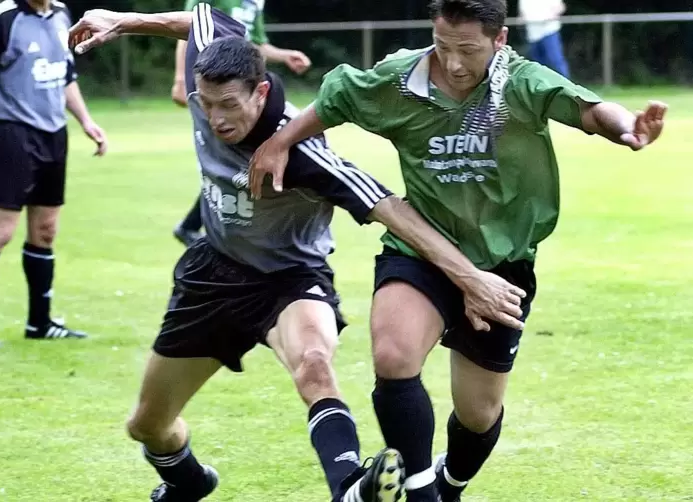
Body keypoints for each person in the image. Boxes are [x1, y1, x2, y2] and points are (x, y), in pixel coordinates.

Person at [69, 4, 528, 501]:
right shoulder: (214, 58)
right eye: (205, 104)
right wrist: (121, 19)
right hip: (213, 275)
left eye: (229, 105)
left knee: (314, 364)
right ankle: (188, 482)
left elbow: (394, 211)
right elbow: (201, 17)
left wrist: (469, 278)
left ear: (260, 91)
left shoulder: (303, 153)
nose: (216, 119)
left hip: (291, 279)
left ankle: (350, 488)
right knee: (148, 425)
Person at [248, 0, 668, 500]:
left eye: (468, 49)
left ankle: (449, 484)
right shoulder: (400, 80)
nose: (453, 62)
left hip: (503, 265)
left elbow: (589, 110)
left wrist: (628, 130)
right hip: (421, 251)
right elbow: (337, 99)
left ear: (500, 40)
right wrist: (280, 143)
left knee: (478, 413)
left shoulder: (521, 83)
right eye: (443, 46)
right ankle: (422, 490)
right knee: (393, 353)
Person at [0, 0, 108, 348]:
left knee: (45, 230)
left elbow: (65, 75)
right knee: (1, 230)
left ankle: (40, 323)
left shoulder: (61, 15)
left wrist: (86, 121)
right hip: (15, 134)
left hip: (54, 134)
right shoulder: (5, 18)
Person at [172, 0, 312, 246]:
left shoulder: (256, 2)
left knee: (238, 164)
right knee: (228, 162)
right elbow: (190, 27)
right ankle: (197, 228)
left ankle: (192, 226)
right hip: (213, 86)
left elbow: (255, 45)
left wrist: (284, 55)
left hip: (240, 92)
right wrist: (181, 79)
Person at [518, 0, 570, 77]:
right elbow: (522, 15)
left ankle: (566, 85)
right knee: (537, 64)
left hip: (549, 31)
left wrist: (551, 16)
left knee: (555, 60)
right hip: (533, 35)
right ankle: (542, 87)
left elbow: (561, 7)